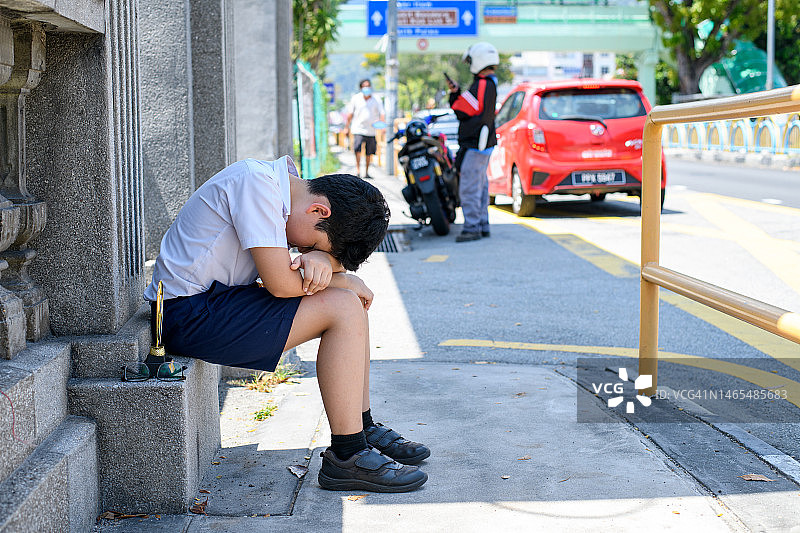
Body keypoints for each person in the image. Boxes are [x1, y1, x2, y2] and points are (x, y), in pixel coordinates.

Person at [144, 156, 429, 492]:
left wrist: (324, 259)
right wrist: (344, 281)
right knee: (344, 306)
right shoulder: (257, 185)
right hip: (185, 314)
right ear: (320, 211)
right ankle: (348, 454)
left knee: (347, 305)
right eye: (312, 246)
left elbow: (275, 277)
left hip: (217, 301)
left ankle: (361, 426)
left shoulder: (281, 187)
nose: (302, 250)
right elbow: (280, 283)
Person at [447, 42, 499, 242]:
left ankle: (472, 227)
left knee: (469, 187)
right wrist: (457, 92)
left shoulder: (483, 83)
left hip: (477, 144)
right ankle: (482, 225)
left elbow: (462, 109)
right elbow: (468, 107)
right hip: (483, 143)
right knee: (480, 186)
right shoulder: (489, 82)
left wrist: (454, 93)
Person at [344, 79, 385, 180]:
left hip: (371, 130)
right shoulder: (356, 98)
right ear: (361, 88)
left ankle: (366, 171)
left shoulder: (376, 99)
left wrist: (382, 126)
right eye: (364, 86)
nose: (366, 88)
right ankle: (358, 170)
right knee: (357, 148)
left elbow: (382, 114)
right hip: (358, 128)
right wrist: (346, 127)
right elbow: (350, 114)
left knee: (369, 152)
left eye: (368, 86)